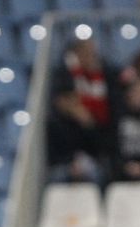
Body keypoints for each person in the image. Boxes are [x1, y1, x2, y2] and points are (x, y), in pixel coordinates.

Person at [46, 36, 115, 179]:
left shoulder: (104, 73)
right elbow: (60, 101)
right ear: (77, 53)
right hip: (66, 147)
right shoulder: (63, 73)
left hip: (94, 146)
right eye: (87, 53)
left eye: (93, 53)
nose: (91, 57)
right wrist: (73, 109)